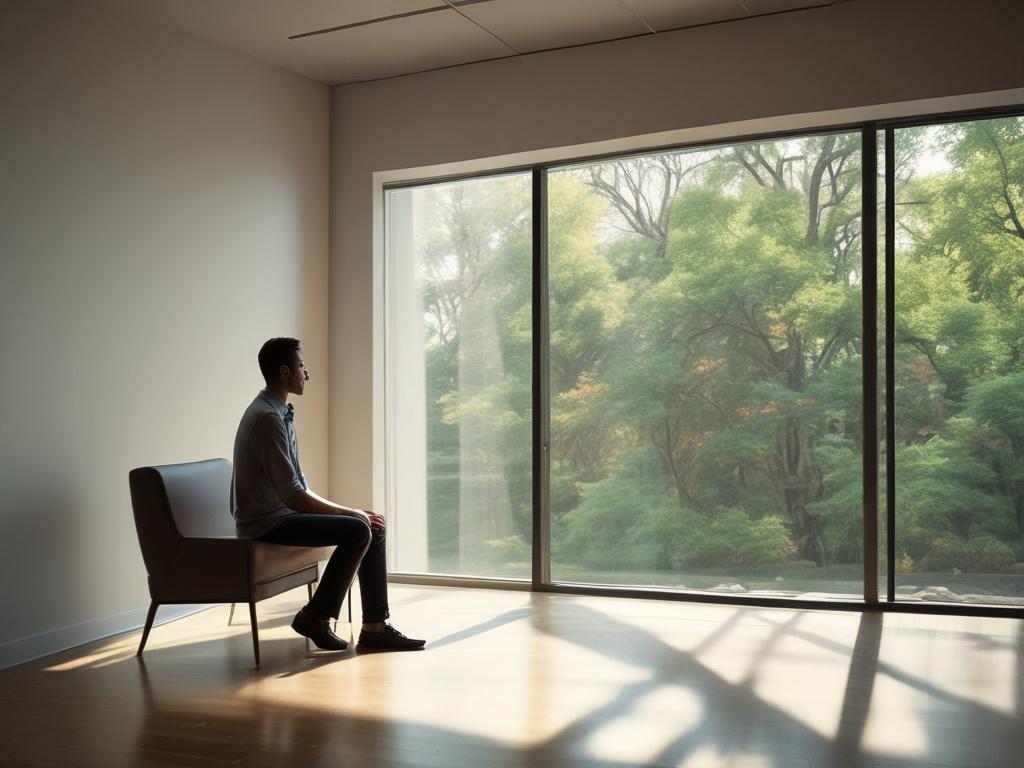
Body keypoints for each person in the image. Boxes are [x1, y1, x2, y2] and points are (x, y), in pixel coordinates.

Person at [231, 336, 424, 652]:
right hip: (267, 523)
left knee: (371, 524)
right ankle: (315, 617)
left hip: (282, 514)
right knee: (358, 528)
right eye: (302, 366)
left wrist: (354, 511)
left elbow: (299, 487)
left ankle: (374, 626)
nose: (307, 373)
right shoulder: (267, 419)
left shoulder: (277, 412)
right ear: (284, 373)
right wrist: (351, 514)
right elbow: (293, 496)